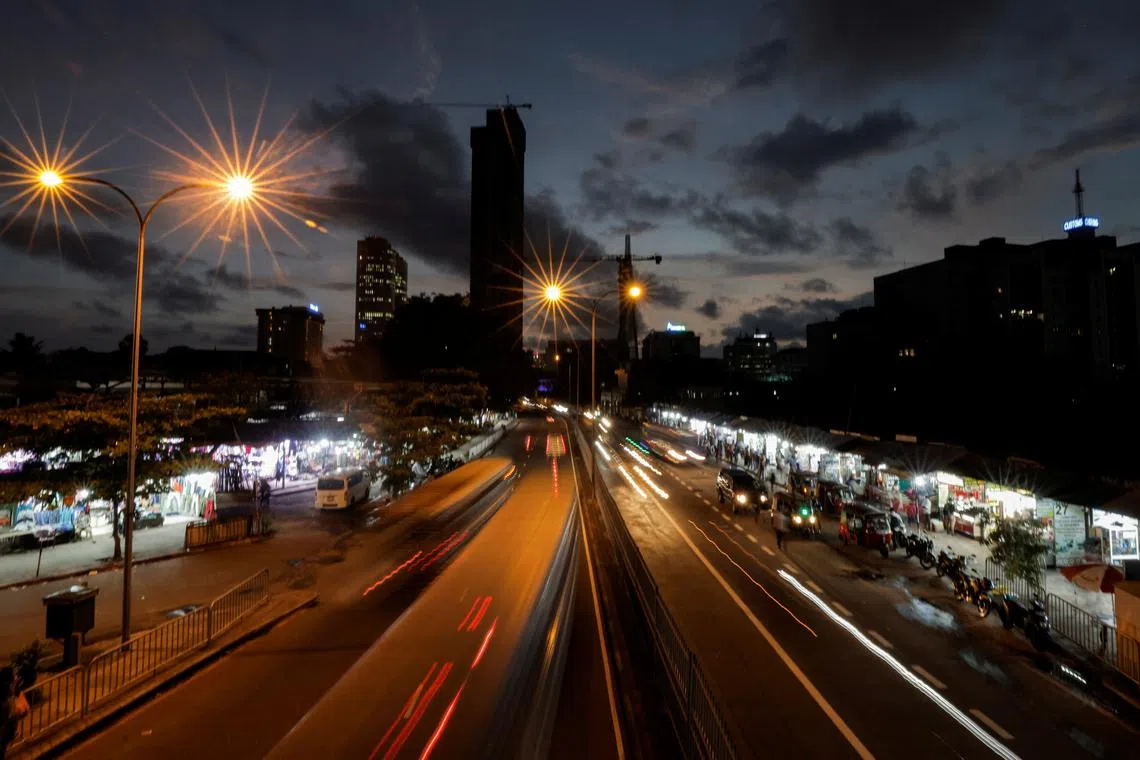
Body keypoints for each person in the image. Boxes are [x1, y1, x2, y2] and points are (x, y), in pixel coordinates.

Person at [0, 665, 27, 759]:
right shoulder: (5, 699)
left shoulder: (11, 690)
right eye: (14, 675)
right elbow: (16, 712)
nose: (16, 677)